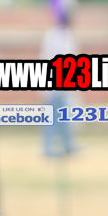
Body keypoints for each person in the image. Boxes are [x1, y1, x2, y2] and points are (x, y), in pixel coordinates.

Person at [40, 11, 78, 158]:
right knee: (52, 118)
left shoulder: (66, 36)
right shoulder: (53, 36)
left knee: (64, 117)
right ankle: (49, 148)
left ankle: (67, 145)